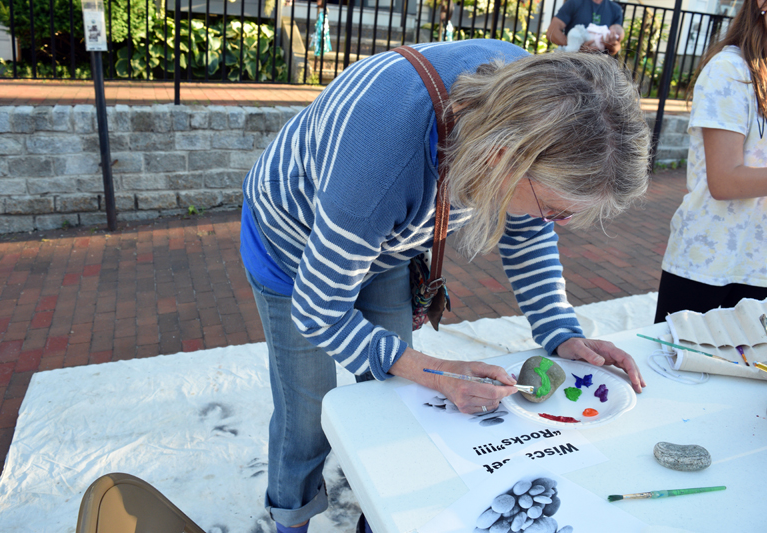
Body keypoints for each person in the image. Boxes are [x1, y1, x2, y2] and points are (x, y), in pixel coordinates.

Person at [239, 40, 650, 533]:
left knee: (393, 399)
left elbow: (528, 231)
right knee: (307, 417)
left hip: (384, 241)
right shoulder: (382, 153)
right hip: (292, 246)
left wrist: (562, 331)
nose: (557, 223)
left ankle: (380, 517)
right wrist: (435, 371)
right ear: (502, 159)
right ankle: (291, 522)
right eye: (558, 209)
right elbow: (319, 310)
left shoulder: (541, 101)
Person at [654, 0, 767, 324]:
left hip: (759, 263)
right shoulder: (729, 70)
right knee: (678, 368)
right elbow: (725, 181)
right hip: (711, 262)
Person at [546, 0, 625, 55]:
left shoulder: (616, 9)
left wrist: (612, 45)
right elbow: (552, 32)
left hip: (599, 66)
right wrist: (576, 47)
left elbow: (616, 47)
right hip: (573, 64)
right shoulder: (574, 2)